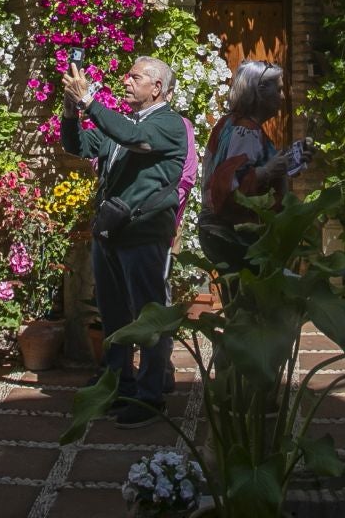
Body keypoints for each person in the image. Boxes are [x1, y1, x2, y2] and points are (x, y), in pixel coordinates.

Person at [61, 56, 189, 428]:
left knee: (148, 315)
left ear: (158, 88)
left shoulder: (169, 125)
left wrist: (89, 102)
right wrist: (72, 112)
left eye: (135, 76)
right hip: (112, 232)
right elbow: (79, 145)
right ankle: (119, 384)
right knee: (114, 313)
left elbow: (133, 139)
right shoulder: (125, 122)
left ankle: (151, 396)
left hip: (144, 233)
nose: (126, 80)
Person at [196, 60, 294, 281]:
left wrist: (290, 163)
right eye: (278, 89)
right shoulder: (245, 130)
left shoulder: (230, 123)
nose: (283, 96)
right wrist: (268, 171)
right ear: (259, 92)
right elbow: (229, 185)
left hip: (218, 232)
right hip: (232, 234)